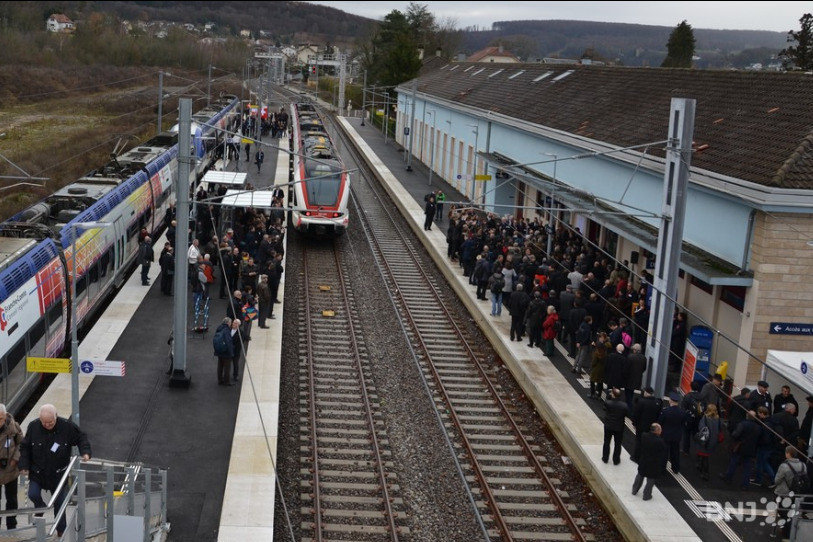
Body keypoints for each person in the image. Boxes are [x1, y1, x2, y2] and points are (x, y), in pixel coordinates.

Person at [19, 404, 92, 537]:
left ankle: (61, 531)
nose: (47, 425)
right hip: (38, 472)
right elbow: (25, 447)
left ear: (56, 417)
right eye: (44, 422)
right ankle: (41, 507)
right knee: (33, 494)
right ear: (40, 420)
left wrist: (85, 452)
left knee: (60, 503)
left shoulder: (67, 427)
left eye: (50, 422)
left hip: (58, 474)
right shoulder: (33, 426)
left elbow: (82, 438)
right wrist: (23, 465)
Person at [774, 445, 808, 538]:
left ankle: (787, 530)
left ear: (788, 454)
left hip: (784, 494)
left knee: (783, 511)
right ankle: (790, 526)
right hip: (797, 494)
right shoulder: (803, 465)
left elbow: (777, 481)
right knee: (792, 511)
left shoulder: (784, 466)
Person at [632, 423, 668, 501]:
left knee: (640, 475)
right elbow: (662, 452)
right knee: (650, 480)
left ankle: (634, 490)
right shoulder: (660, 441)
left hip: (643, 460)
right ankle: (646, 495)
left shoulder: (644, 436)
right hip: (654, 463)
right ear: (657, 430)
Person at [0, 405, 22, 529]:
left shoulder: (13, 427)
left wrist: (15, 459)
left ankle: (11, 525)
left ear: (5, 416)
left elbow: (21, 444)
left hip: (10, 469)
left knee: (12, 499)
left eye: (1, 419)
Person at [659, 392, 688, 475]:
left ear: (670, 401)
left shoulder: (665, 411)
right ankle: (675, 468)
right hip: (677, 435)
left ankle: (662, 469)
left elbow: (660, 422)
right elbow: (683, 423)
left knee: (664, 453)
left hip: (666, 435)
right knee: (675, 452)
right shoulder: (682, 412)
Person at [631, 386, 663, 463]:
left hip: (641, 426)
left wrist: (634, 423)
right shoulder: (658, 402)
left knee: (639, 441)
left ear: (645, 392)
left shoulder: (641, 402)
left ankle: (636, 457)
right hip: (652, 427)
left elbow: (636, 414)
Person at [694, 404, 723, 481]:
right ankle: (703, 470)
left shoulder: (705, 418)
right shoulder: (718, 419)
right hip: (713, 441)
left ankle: (704, 472)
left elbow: (701, 428)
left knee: (704, 457)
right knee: (706, 457)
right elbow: (720, 429)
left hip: (705, 440)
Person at [602, 388, 629, 465]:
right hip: (619, 427)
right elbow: (628, 414)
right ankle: (616, 460)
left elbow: (604, 408)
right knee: (618, 444)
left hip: (608, 426)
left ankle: (605, 458)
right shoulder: (624, 405)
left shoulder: (608, 403)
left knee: (606, 442)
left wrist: (608, 397)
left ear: (612, 394)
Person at [625, 343, 647, 413]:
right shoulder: (644, 358)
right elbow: (644, 368)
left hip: (629, 380)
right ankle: (630, 408)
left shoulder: (630, 357)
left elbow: (626, 368)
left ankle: (629, 410)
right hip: (638, 379)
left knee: (628, 396)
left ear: (634, 350)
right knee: (631, 394)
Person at [214, 318, 234, 385]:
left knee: (220, 366)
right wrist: (231, 352)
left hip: (219, 351)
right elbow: (228, 342)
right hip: (226, 352)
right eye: (230, 322)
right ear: (228, 323)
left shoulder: (219, 328)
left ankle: (220, 380)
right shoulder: (227, 330)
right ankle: (226, 381)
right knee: (227, 367)